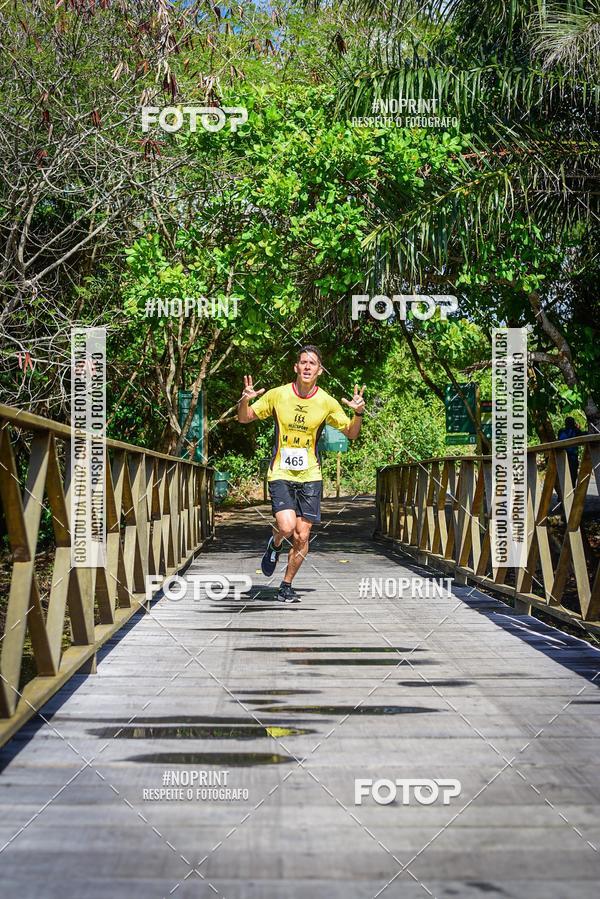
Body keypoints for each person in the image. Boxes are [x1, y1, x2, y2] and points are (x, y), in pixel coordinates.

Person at [237, 345, 366, 602]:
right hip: (281, 471)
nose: (307, 367)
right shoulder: (278, 395)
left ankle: (285, 584)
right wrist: (244, 399)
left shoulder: (326, 402)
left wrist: (358, 412)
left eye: (313, 363)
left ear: (320, 370)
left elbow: (351, 433)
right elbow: (244, 418)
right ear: (296, 367)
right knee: (286, 527)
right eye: (303, 362)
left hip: (310, 475)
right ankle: (274, 544)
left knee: (302, 534)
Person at [557, 416, 584, 487]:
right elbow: (583, 436)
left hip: (562, 456)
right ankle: (572, 489)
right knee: (573, 474)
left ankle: (564, 491)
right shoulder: (576, 431)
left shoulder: (561, 431)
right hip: (572, 456)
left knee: (564, 474)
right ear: (573, 423)